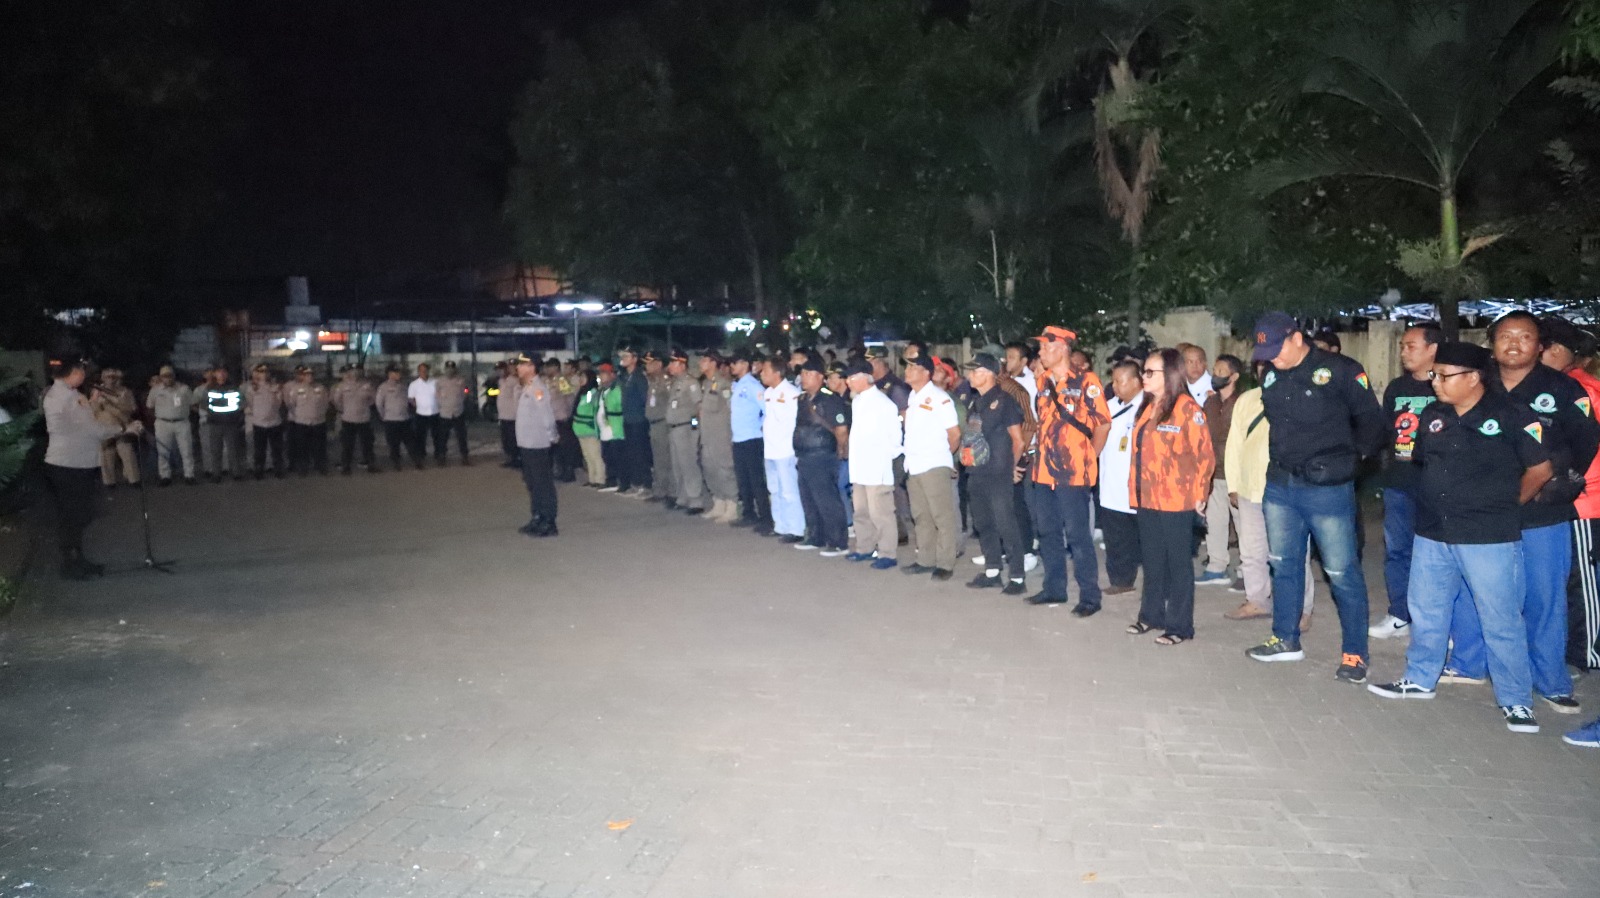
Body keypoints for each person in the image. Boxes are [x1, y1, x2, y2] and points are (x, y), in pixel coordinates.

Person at [1366, 341, 1550, 735]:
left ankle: (1516, 699)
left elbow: (1540, 470)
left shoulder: (1512, 415)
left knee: (1500, 617)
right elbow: (1423, 463)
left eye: (1444, 376)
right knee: (1427, 609)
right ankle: (1420, 678)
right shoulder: (1434, 415)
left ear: (1474, 378)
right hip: (1433, 531)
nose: (1435, 382)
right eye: (1435, 375)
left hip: (1487, 536)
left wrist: (1505, 506)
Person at [1447, 311, 1598, 714]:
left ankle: (1549, 681)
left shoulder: (1563, 389)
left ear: (1540, 345)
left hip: (1541, 511)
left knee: (1545, 598)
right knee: (1475, 591)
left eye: (1524, 337)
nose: (1513, 344)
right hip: (1482, 509)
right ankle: (1469, 663)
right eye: (1505, 336)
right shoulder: (1476, 382)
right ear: (1492, 343)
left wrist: (1560, 480)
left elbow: (1585, 442)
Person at [1244, 312, 1383, 684]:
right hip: (1281, 485)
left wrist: (1350, 463)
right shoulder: (1271, 375)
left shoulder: (1341, 370)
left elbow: (1371, 423)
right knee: (1284, 564)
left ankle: (1355, 653)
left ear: (1296, 338)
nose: (1272, 358)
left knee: (1341, 572)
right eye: (1266, 353)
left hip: (1327, 489)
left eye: (1277, 349)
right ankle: (1285, 638)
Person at [1126, 348, 1215, 645]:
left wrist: (1201, 494)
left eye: (1150, 372)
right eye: (1144, 371)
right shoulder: (1147, 406)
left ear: (1171, 375)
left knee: (1178, 563)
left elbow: (1205, 456)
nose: (1144, 376)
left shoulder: (1188, 409)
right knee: (1152, 560)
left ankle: (1180, 626)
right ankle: (1151, 615)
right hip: (1147, 497)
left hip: (1177, 498)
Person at [1029, 325, 1110, 614]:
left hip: (1073, 473)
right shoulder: (1043, 381)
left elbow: (1103, 423)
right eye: (1040, 347)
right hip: (1043, 471)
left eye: (1046, 347)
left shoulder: (1086, 381)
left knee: (1077, 536)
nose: (1040, 352)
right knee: (1048, 532)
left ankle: (1090, 597)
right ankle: (1054, 588)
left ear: (1062, 348)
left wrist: (1090, 455)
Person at [1371, 322, 1442, 639]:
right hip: (1399, 482)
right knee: (1398, 551)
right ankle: (1400, 614)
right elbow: (1385, 431)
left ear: (1432, 349)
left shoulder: (1447, 385)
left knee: (1436, 555)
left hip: (1436, 484)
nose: (1404, 352)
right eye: (1402, 346)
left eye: (1411, 346)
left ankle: (1438, 623)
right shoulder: (1397, 388)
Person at [1541, 317, 1600, 672]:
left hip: (1585, 498)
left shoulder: (1580, 389)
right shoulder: (1568, 385)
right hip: (1574, 496)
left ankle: (1587, 653)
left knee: (1582, 580)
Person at [43, 359, 133, 579]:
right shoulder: (65, 397)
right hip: (69, 464)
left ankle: (78, 560)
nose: (85, 376)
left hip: (74, 463)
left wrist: (91, 402)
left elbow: (79, 421)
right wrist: (125, 428)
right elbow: (94, 430)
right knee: (73, 516)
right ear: (73, 372)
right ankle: (71, 565)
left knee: (77, 515)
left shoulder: (68, 394)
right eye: (82, 371)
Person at [962, 353, 1028, 595]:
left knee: (1005, 523)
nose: (970, 376)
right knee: (983, 523)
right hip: (977, 471)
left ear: (989, 374)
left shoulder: (1005, 401)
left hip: (998, 473)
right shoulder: (975, 402)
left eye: (975, 371)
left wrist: (1012, 468)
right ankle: (992, 571)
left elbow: (1018, 441)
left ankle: (1018, 577)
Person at [900, 353, 960, 579]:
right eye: (907, 367)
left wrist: (943, 456)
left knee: (942, 516)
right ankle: (925, 559)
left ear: (926, 373)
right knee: (921, 515)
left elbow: (954, 434)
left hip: (933, 464)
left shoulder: (939, 397)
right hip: (914, 464)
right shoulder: (912, 397)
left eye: (912, 367)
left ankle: (945, 563)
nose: (907, 371)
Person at [847, 361, 903, 566]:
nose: (848, 382)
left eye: (852, 378)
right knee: (861, 511)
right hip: (859, 466)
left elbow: (895, 438)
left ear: (865, 378)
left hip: (877, 467)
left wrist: (883, 459)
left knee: (881, 513)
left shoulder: (884, 404)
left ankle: (887, 553)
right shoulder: (857, 401)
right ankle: (865, 547)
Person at [1195, 355, 1244, 586]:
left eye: (1221, 371)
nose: (1215, 375)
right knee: (1215, 522)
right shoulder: (1210, 403)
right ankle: (1216, 566)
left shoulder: (1243, 402)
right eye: (1215, 370)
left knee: (1244, 525)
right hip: (1214, 472)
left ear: (1234, 376)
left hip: (1238, 473)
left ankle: (1247, 571)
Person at [1097, 359, 1144, 595]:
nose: (1114, 386)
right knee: (1115, 535)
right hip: (1111, 483)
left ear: (1136, 381)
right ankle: (1120, 580)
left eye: (1120, 381)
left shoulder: (1147, 407)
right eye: (1113, 381)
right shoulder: (1108, 406)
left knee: (1138, 535)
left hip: (1136, 485)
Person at [794, 358, 850, 553]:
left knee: (827, 500)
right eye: (802, 374)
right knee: (809, 499)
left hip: (823, 455)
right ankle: (815, 536)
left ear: (820, 377)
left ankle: (838, 542)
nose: (803, 377)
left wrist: (840, 451)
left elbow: (841, 430)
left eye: (808, 374)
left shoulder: (829, 399)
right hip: (805, 454)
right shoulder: (803, 399)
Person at [513, 353, 559, 537]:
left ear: (531, 367)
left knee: (542, 484)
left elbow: (547, 416)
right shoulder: (527, 387)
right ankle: (537, 517)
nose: (518, 368)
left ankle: (549, 521)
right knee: (532, 483)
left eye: (522, 365)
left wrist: (552, 436)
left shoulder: (538, 388)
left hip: (537, 444)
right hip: (527, 443)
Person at [762, 355, 806, 541]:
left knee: (789, 491)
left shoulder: (791, 393)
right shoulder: (768, 393)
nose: (762, 374)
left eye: (765, 370)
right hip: (770, 449)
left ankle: (796, 529)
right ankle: (780, 525)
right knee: (774, 490)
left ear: (777, 372)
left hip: (786, 450)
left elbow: (797, 422)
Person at [697, 351, 740, 523]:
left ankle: (731, 505)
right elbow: (698, 411)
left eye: (704, 360)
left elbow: (730, 411)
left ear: (713, 363)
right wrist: (694, 427)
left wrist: (731, 435)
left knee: (724, 470)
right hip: (706, 435)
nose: (700, 363)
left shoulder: (723, 384)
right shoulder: (705, 384)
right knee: (709, 469)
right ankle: (718, 502)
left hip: (721, 436)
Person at [729, 352, 770, 529]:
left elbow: (767, 409)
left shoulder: (753, 386)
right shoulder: (737, 385)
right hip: (738, 438)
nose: (732, 366)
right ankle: (748, 513)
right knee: (743, 480)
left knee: (756, 480)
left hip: (752, 439)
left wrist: (758, 426)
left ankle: (765, 517)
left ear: (745, 364)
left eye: (735, 362)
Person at [664, 349, 707, 514]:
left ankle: (695, 500)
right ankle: (682, 497)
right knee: (677, 465)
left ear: (682, 365)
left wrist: (694, 430)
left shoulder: (691, 383)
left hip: (686, 428)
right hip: (674, 429)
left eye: (673, 362)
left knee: (689, 464)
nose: (670, 366)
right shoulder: (675, 383)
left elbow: (698, 409)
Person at [147, 365, 198, 486]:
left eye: (170, 376)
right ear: (161, 377)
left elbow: (193, 404)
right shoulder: (155, 390)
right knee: (163, 451)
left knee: (186, 450)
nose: (168, 378)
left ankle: (189, 475)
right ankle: (165, 476)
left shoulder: (184, 389)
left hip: (181, 422)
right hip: (163, 423)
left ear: (174, 376)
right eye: (164, 376)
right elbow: (150, 406)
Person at [91, 368, 140, 487]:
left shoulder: (124, 391)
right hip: (105, 426)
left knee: (126, 451)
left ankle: (134, 480)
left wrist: (113, 401)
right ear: (103, 378)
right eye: (108, 377)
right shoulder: (97, 391)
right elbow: (92, 410)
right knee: (106, 454)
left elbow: (132, 408)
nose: (111, 380)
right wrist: (97, 401)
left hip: (121, 425)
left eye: (113, 377)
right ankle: (109, 482)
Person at [617, 346, 653, 496]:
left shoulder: (639, 377)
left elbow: (645, 399)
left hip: (639, 420)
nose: (623, 359)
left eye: (627, 356)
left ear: (634, 359)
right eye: (623, 356)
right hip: (628, 419)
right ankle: (636, 483)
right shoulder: (624, 376)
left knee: (640, 453)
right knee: (631, 453)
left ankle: (646, 485)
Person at [331, 365, 377, 475]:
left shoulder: (367, 385)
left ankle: (370, 464)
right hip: (348, 419)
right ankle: (346, 466)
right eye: (353, 371)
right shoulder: (342, 386)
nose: (355, 373)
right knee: (348, 444)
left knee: (367, 444)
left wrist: (364, 408)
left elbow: (373, 399)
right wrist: (344, 410)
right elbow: (337, 401)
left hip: (364, 419)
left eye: (357, 371)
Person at [202, 367, 246, 482]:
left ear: (227, 374)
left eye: (223, 372)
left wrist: (237, 417)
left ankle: (236, 473)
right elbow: (204, 404)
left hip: (231, 424)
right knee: (215, 450)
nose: (221, 374)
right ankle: (216, 474)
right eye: (218, 372)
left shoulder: (234, 388)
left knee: (233, 450)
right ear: (215, 374)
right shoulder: (209, 388)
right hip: (215, 424)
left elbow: (242, 403)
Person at [285, 365, 331, 476]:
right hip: (302, 422)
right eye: (307, 375)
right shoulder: (296, 389)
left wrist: (320, 414)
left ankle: (320, 465)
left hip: (318, 421)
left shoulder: (320, 388)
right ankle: (303, 467)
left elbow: (325, 403)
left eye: (311, 375)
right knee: (302, 446)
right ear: (303, 376)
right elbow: (291, 404)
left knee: (319, 446)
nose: (309, 377)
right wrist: (299, 415)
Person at [643, 349, 676, 504]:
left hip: (663, 424)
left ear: (659, 364)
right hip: (654, 424)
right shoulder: (653, 381)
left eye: (650, 363)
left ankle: (671, 492)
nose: (647, 366)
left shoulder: (666, 381)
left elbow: (672, 403)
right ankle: (660, 490)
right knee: (658, 460)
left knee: (666, 459)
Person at [245, 364, 286, 479]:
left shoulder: (275, 387)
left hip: (274, 422)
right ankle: (259, 470)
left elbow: (279, 403)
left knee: (277, 449)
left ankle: (278, 469)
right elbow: (250, 403)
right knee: (259, 450)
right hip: (259, 423)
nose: (263, 374)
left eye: (265, 371)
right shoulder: (252, 388)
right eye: (261, 371)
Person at [376, 365, 418, 471]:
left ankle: (416, 461)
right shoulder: (383, 387)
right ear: (390, 374)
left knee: (410, 442)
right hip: (391, 420)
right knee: (394, 444)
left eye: (399, 372)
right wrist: (383, 415)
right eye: (396, 372)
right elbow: (379, 403)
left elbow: (410, 400)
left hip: (404, 419)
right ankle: (396, 462)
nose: (399, 374)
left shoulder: (404, 386)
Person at [571, 369, 605, 487]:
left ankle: (600, 479)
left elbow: (585, 406)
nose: (581, 380)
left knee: (595, 455)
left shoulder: (591, 392)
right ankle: (592, 478)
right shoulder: (582, 392)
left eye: (583, 377)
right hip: (581, 428)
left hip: (589, 428)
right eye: (580, 377)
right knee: (587, 455)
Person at [596, 363, 627, 490]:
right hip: (604, 430)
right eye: (600, 373)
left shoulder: (617, 389)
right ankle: (611, 479)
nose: (601, 376)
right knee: (607, 456)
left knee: (617, 457)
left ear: (612, 375)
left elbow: (620, 407)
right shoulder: (601, 391)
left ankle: (621, 481)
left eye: (604, 373)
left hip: (615, 429)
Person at [434, 360, 470, 465]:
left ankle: (464, 457)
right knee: (443, 437)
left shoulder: (460, 380)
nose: (450, 370)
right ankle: (442, 457)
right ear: (445, 369)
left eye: (452, 368)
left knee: (461, 436)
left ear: (454, 369)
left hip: (458, 412)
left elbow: (466, 391)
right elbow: (437, 395)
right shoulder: (440, 381)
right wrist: (442, 404)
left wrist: (461, 400)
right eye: (448, 368)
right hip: (445, 413)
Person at [407, 363, 438, 468]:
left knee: (437, 436)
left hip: (435, 413)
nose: (424, 372)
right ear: (418, 372)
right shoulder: (414, 384)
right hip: (421, 414)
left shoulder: (435, 382)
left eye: (425, 370)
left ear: (428, 371)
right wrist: (418, 405)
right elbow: (411, 399)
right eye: (421, 370)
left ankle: (438, 455)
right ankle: (420, 456)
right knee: (420, 437)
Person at [496, 360, 521, 467]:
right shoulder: (502, 381)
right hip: (503, 415)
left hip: (512, 416)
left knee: (513, 439)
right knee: (506, 440)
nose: (499, 372)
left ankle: (516, 459)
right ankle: (510, 459)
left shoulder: (515, 380)